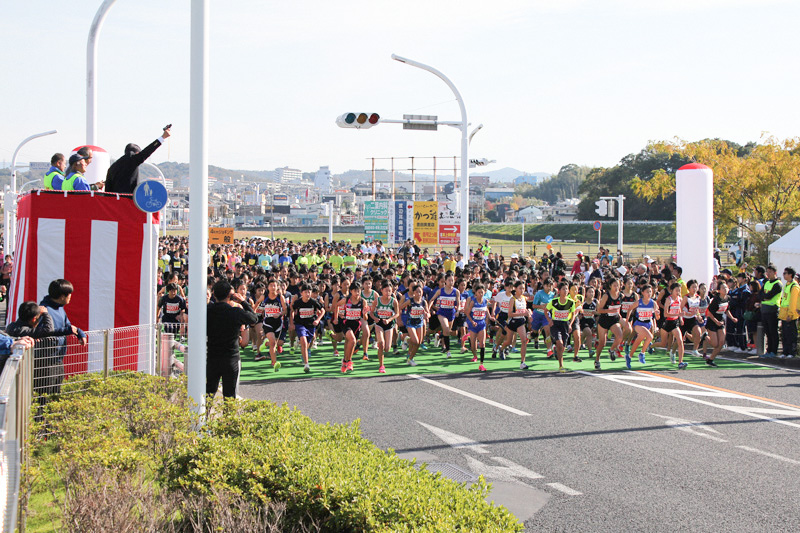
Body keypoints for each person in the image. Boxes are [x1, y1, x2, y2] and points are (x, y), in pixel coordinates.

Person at [206, 279, 258, 398]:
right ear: (231, 295)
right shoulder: (235, 311)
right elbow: (254, 318)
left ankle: (204, 416)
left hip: (212, 357)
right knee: (230, 396)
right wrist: (244, 302)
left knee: (208, 394)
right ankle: (228, 417)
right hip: (231, 357)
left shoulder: (207, 311)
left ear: (214, 294)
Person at [38, 280, 87, 396]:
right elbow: (42, 332)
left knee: (56, 393)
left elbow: (68, 325)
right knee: (44, 395)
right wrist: (66, 331)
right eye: (69, 294)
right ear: (62, 296)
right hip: (46, 360)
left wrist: (80, 333)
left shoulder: (60, 308)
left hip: (58, 359)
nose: (70, 297)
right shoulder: (44, 310)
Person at [105, 126, 172, 193]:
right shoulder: (132, 159)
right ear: (136, 153)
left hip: (114, 202)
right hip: (128, 201)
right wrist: (163, 137)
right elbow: (147, 151)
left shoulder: (112, 167)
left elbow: (107, 191)